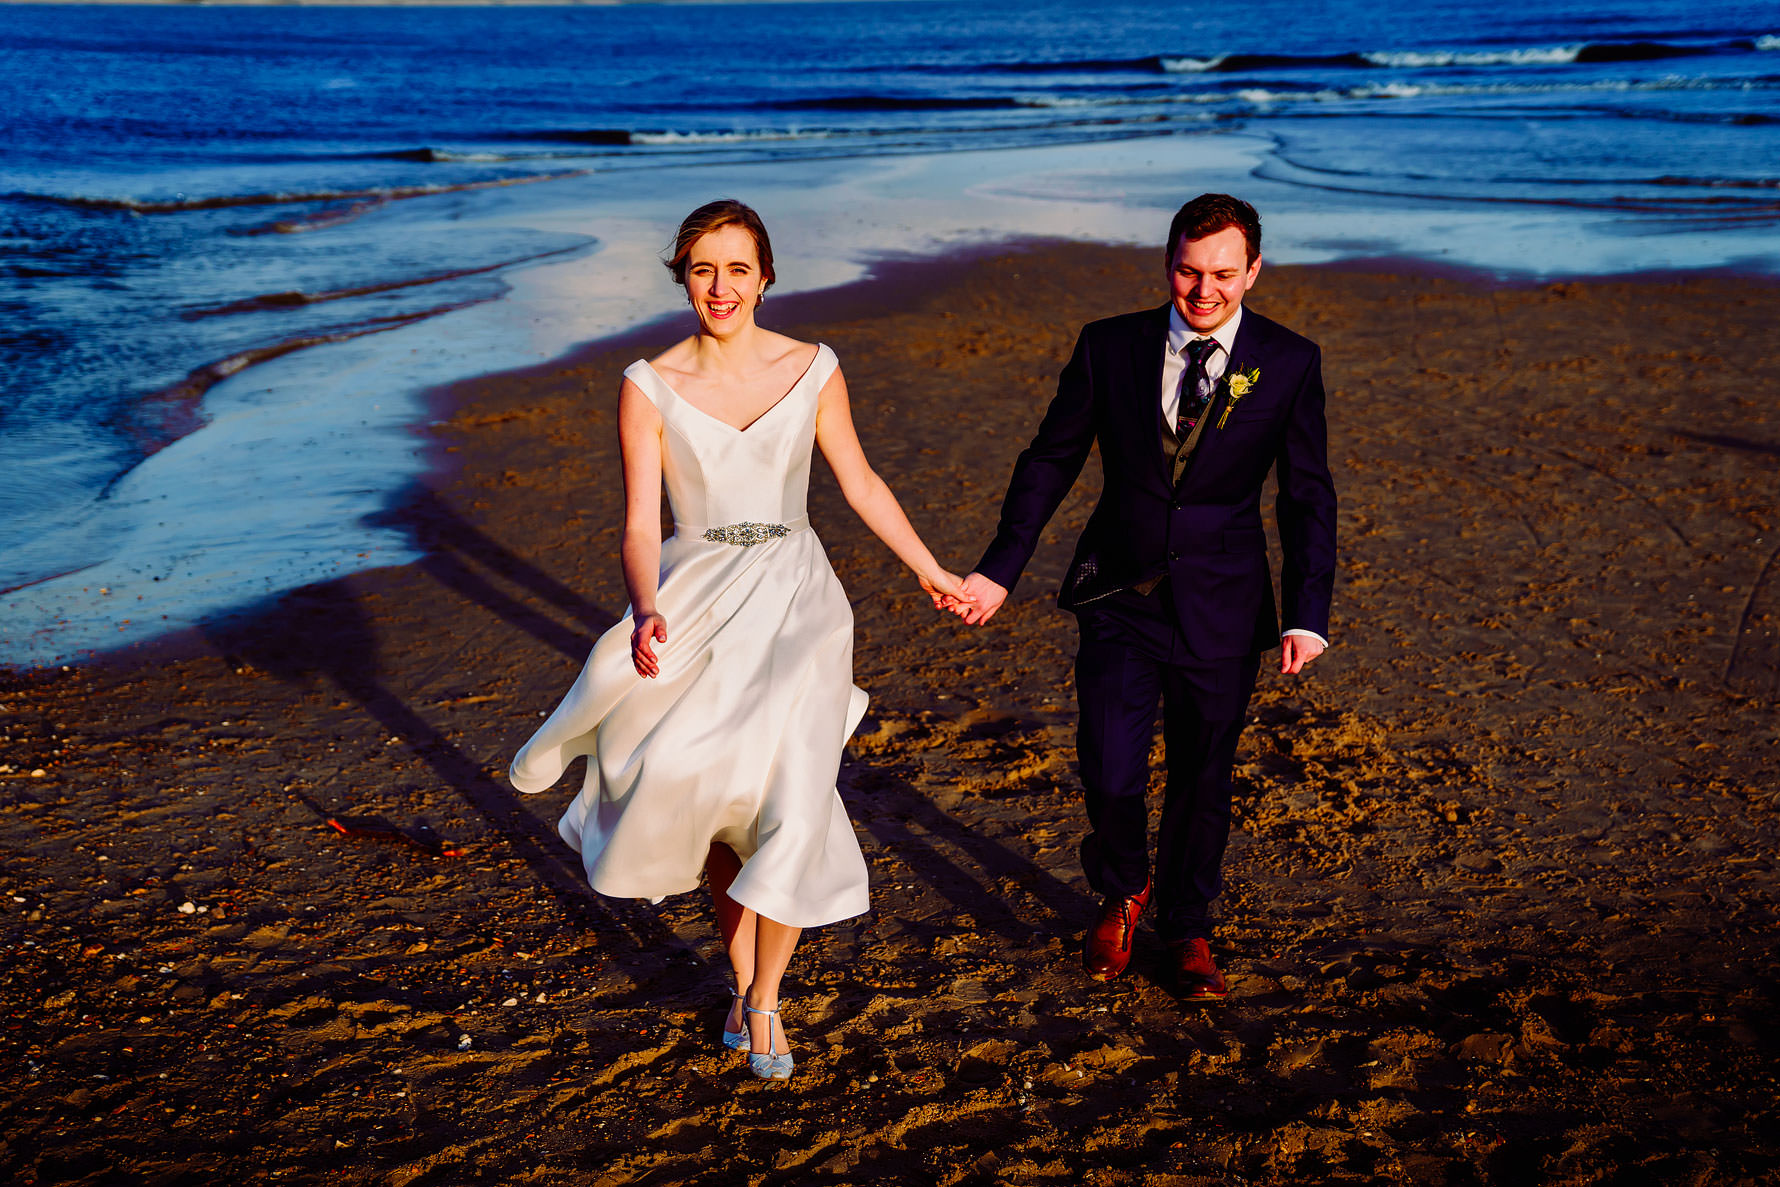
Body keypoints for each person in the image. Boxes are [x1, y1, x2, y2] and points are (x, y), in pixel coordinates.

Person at [510, 199, 969, 1079]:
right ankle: (739, 979)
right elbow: (641, 526)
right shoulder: (648, 384)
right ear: (683, 276)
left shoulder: (814, 367)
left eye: (738, 268)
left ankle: (765, 1000)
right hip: (697, 602)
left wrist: (929, 568)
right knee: (722, 806)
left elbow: (862, 482)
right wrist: (644, 607)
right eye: (703, 269)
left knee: (795, 802)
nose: (721, 287)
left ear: (766, 276)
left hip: (799, 602)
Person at [952, 193, 1336, 1001]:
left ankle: (1188, 926)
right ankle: (1124, 888)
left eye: (1225, 275)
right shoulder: (1109, 347)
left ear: (1253, 271)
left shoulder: (1292, 361)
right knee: (1110, 763)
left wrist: (1307, 612)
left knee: (1204, 773)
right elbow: (1049, 459)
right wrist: (1000, 567)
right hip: (1118, 594)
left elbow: (1306, 494)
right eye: (1190, 272)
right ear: (1169, 265)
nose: (1205, 292)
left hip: (1224, 605)